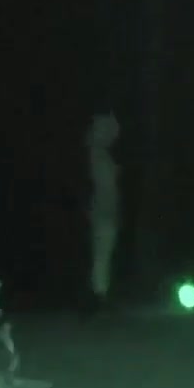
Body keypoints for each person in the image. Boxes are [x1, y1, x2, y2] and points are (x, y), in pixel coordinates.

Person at [86, 112, 121, 304]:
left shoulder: (101, 155)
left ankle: (100, 295)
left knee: (102, 255)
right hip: (102, 213)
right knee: (101, 256)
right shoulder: (97, 155)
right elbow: (104, 187)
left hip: (104, 212)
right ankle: (99, 296)